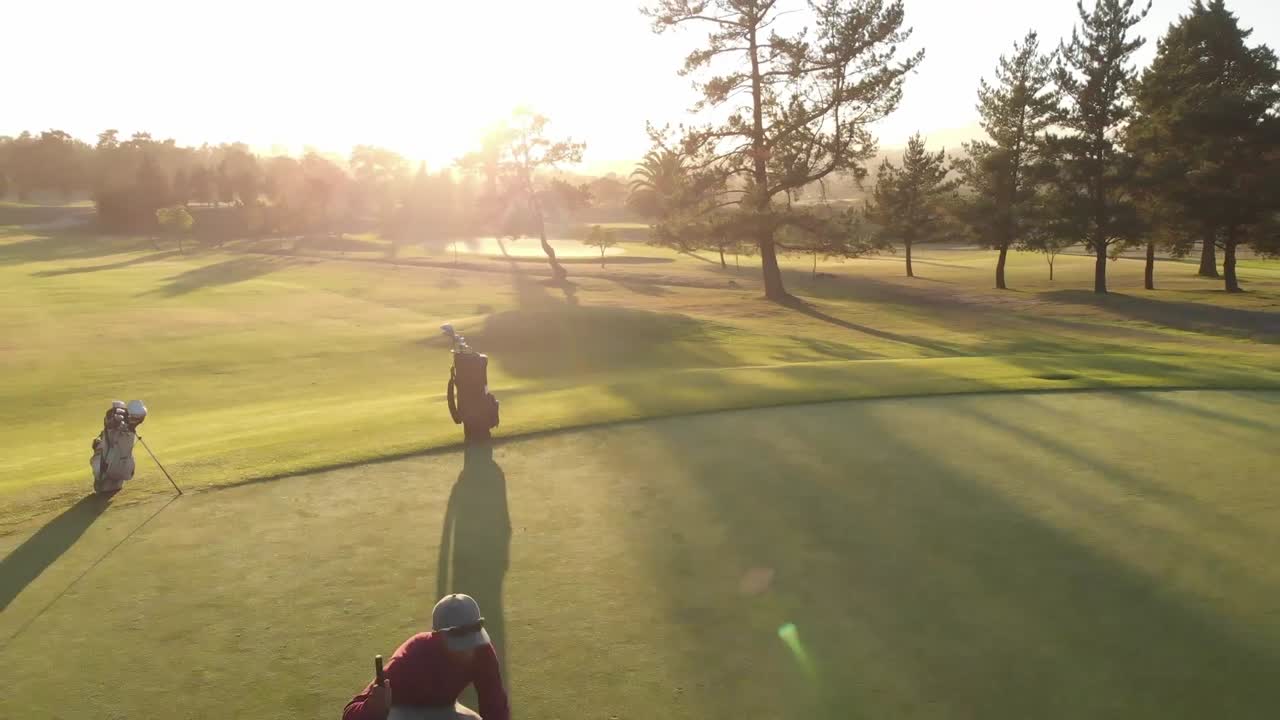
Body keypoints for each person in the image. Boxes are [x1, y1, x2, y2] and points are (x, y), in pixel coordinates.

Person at [344, 594, 509, 720]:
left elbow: (495, 706)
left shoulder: (481, 649)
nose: (467, 650)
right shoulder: (410, 658)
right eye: (459, 643)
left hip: (445, 709)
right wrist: (373, 708)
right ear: (437, 637)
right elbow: (350, 713)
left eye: (471, 640)